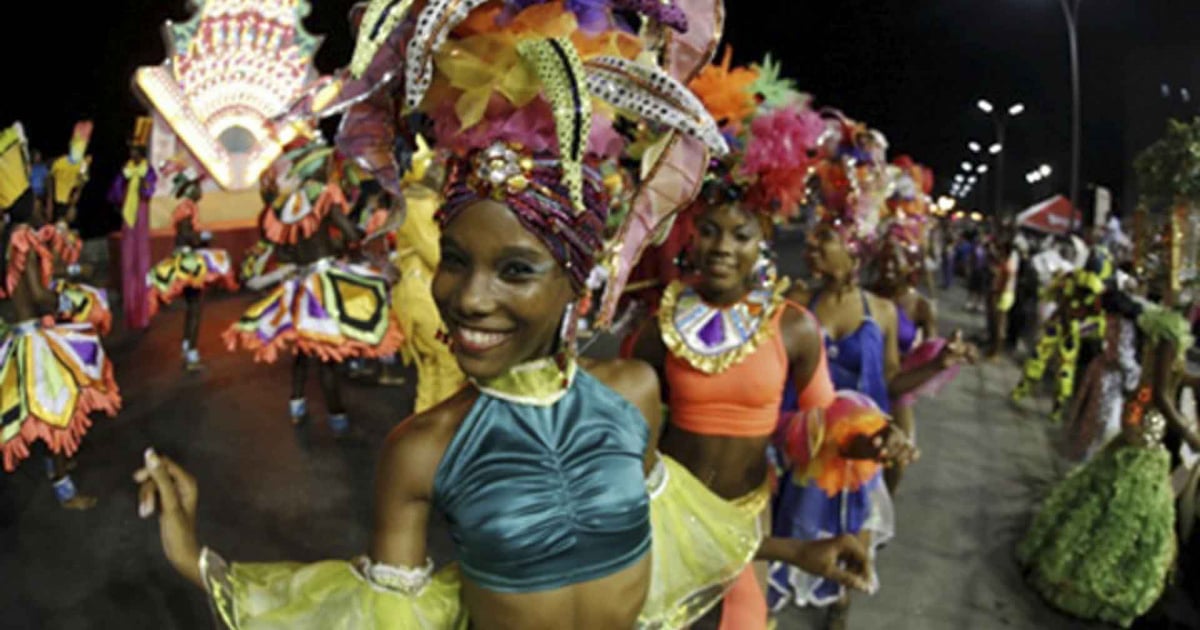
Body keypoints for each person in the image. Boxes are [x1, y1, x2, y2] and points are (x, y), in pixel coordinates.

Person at [139, 3, 872, 628]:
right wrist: (200, 564)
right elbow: (384, 613)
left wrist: (799, 553)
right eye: (454, 259)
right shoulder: (423, 448)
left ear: (575, 280)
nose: (467, 297)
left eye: (515, 270)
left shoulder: (632, 397)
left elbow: (688, 531)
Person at [1018, 281, 1200, 627]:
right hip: (1150, 418)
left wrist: (1192, 382)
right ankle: (1089, 578)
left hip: (1144, 415)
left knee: (1117, 485)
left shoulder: (1163, 329)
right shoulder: (1169, 334)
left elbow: (1171, 377)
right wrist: (1189, 434)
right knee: (1129, 498)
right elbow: (1161, 393)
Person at [224, 143, 402, 435]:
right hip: (322, 282)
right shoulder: (323, 195)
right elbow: (348, 233)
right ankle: (337, 416)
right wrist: (358, 236)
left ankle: (297, 404)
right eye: (325, 164)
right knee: (326, 352)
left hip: (297, 284)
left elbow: (282, 248)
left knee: (304, 348)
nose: (328, 168)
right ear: (316, 168)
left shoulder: (284, 206)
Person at [0, 122, 119, 509]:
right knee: (59, 408)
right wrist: (66, 304)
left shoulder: (6, 241)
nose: (39, 206)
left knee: (39, 409)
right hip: (33, 337)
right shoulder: (24, 242)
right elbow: (36, 295)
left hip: (16, 336)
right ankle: (63, 485)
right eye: (33, 201)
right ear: (23, 205)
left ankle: (59, 469)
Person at [147, 167, 238, 371]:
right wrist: (202, 237)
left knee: (194, 306)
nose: (200, 191)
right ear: (189, 189)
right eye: (197, 187)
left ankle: (188, 345)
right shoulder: (187, 209)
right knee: (195, 307)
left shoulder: (187, 207)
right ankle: (191, 352)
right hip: (188, 262)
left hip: (188, 259)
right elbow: (186, 234)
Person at [106, 118, 157, 330]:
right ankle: (130, 308)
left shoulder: (147, 170)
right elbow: (115, 195)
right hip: (129, 218)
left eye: (136, 151)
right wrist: (125, 182)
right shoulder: (125, 171)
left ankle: (143, 311)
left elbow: (148, 191)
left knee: (141, 259)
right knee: (128, 261)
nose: (132, 155)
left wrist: (143, 181)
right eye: (131, 151)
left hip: (141, 214)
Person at [47, 121, 92, 225]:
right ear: (71, 144)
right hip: (57, 202)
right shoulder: (59, 162)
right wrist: (49, 202)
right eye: (77, 144)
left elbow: (81, 183)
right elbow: (50, 180)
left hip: (71, 202)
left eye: (83, 145)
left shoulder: (83, 164)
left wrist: (73, 202)